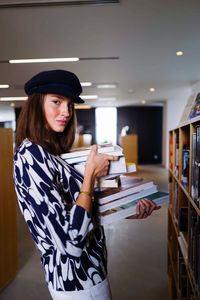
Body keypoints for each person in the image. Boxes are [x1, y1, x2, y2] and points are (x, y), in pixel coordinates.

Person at [13, 69, 160, 300]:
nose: (66, 112)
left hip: (91, 272)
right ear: (35, 105)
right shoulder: (30, 154)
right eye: (56, 101)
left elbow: (78, 211)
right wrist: (90, 174)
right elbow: (70, 242)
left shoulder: (50, 153)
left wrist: (127, 209)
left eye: (70, 105)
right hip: (76, 280)